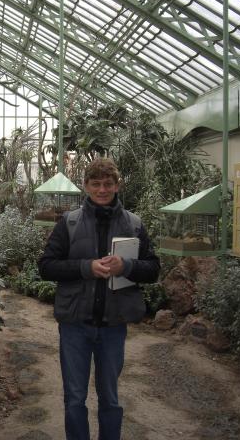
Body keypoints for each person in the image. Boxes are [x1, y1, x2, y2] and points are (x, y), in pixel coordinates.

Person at [38, 157, 160, 440]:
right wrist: (86, 267)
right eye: (96, 184)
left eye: (108, 184)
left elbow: (153, 269)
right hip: (75, 324)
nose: (102, 190)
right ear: (86, 186)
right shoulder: (69, 223)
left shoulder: (133, 224)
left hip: (113, 326)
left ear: (117, 185)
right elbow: (46, 266)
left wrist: (126, 266)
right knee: (74, 398)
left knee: (110, 399)